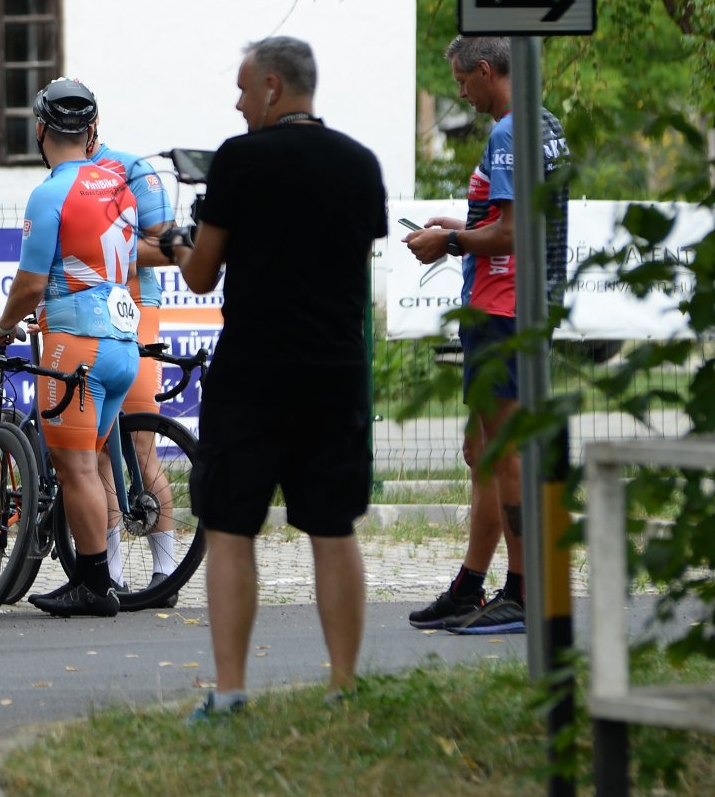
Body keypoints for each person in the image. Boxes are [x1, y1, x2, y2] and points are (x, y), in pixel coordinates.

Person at [175, 37, 386, 720]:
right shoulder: (361, 164)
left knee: (231, 527)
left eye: (242, 91)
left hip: (254, 373)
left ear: (271, 87)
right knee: (333, 529)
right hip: (336, 370)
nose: (238, 105)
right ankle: (344, 686)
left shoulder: (240, 160)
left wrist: (181, 247)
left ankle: (232, 691)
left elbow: (203, 273)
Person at [403, 35, 569, 636]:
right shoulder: (542, 122)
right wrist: (463, 223)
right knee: (481, 453)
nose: (460, 91)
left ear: (483, 70)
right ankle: (470, 587)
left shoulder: (506, 131)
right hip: (522, 303)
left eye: (460, 80)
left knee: (507, 453)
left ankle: (523, 593)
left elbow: (511, 235)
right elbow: (506, 219)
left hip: (504, 309)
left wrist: (447, 242)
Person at [0, 80, 144, 617]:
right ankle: (102, 574)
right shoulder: (118, 184)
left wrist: (5, 326)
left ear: (40, 130)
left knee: (74, 466)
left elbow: (30, 283)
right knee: (94, 459)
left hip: (76, 348)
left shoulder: (51, 192)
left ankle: (96, 585)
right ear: (92, 130)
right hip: (123, 341)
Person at [86, 89, 185, 592]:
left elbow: (170, 249)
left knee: (141, 446)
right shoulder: (59, 178)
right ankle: (112, 576)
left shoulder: (130, 170)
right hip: (77, 317)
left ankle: (165, 572)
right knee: (97, 449)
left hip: (131, 309)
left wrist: (107, 248)